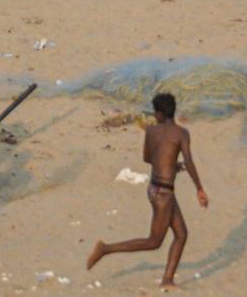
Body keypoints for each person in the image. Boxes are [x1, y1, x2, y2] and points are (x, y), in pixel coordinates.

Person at [87, 92, 207, 290]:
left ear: (159, 114)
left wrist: (170, 164)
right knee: (153, 241)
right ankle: (105, 249)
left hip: (154, 188)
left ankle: (167, 280)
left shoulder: (151, 131)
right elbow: (189, 162)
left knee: (182, 234)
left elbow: (148, 158)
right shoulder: (181, 133)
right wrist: (199, 189)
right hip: (164, 194)